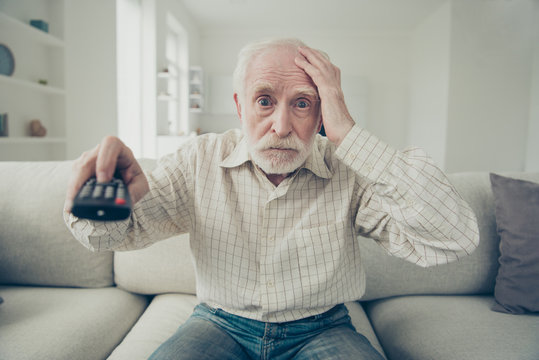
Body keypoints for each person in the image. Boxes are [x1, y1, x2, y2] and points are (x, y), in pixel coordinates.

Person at [64, 38, 479, 359]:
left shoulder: (348, 171)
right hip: (220, 321)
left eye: (302, 104)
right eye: (264, 101)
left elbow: (455, 236)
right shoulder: (198, 160)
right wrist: (109, 194)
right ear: (239, 107)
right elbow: (105, 238)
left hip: (323, 326)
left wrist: (348, 132)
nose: (281, 125)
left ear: (321, 114)